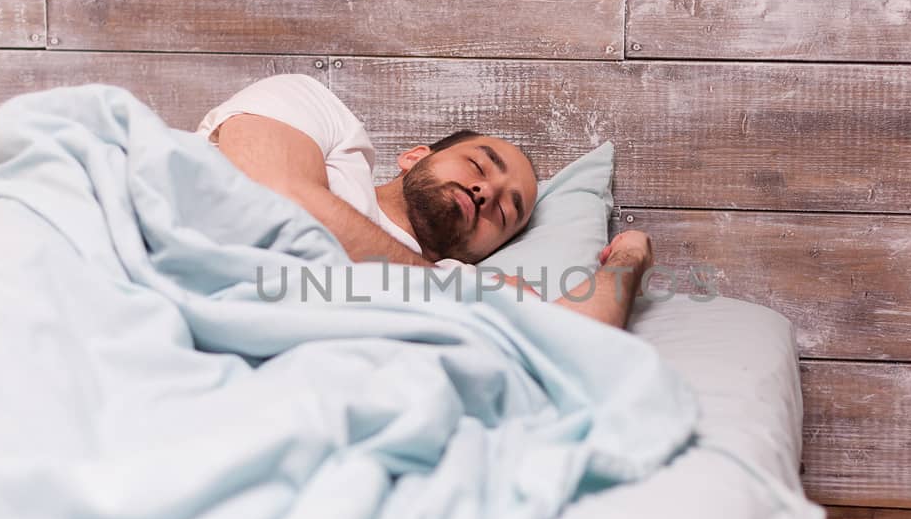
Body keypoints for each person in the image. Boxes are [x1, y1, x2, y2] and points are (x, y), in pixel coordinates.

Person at [197, 74, 652, 330]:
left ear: (490, 250)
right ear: (415, 157)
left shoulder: (470, 284)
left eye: (505, 213)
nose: (486, 192)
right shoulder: (323, 117)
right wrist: (436, 287)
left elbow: (580, 341)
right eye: (478, 165)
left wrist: (629, 256)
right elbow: (278, 200)